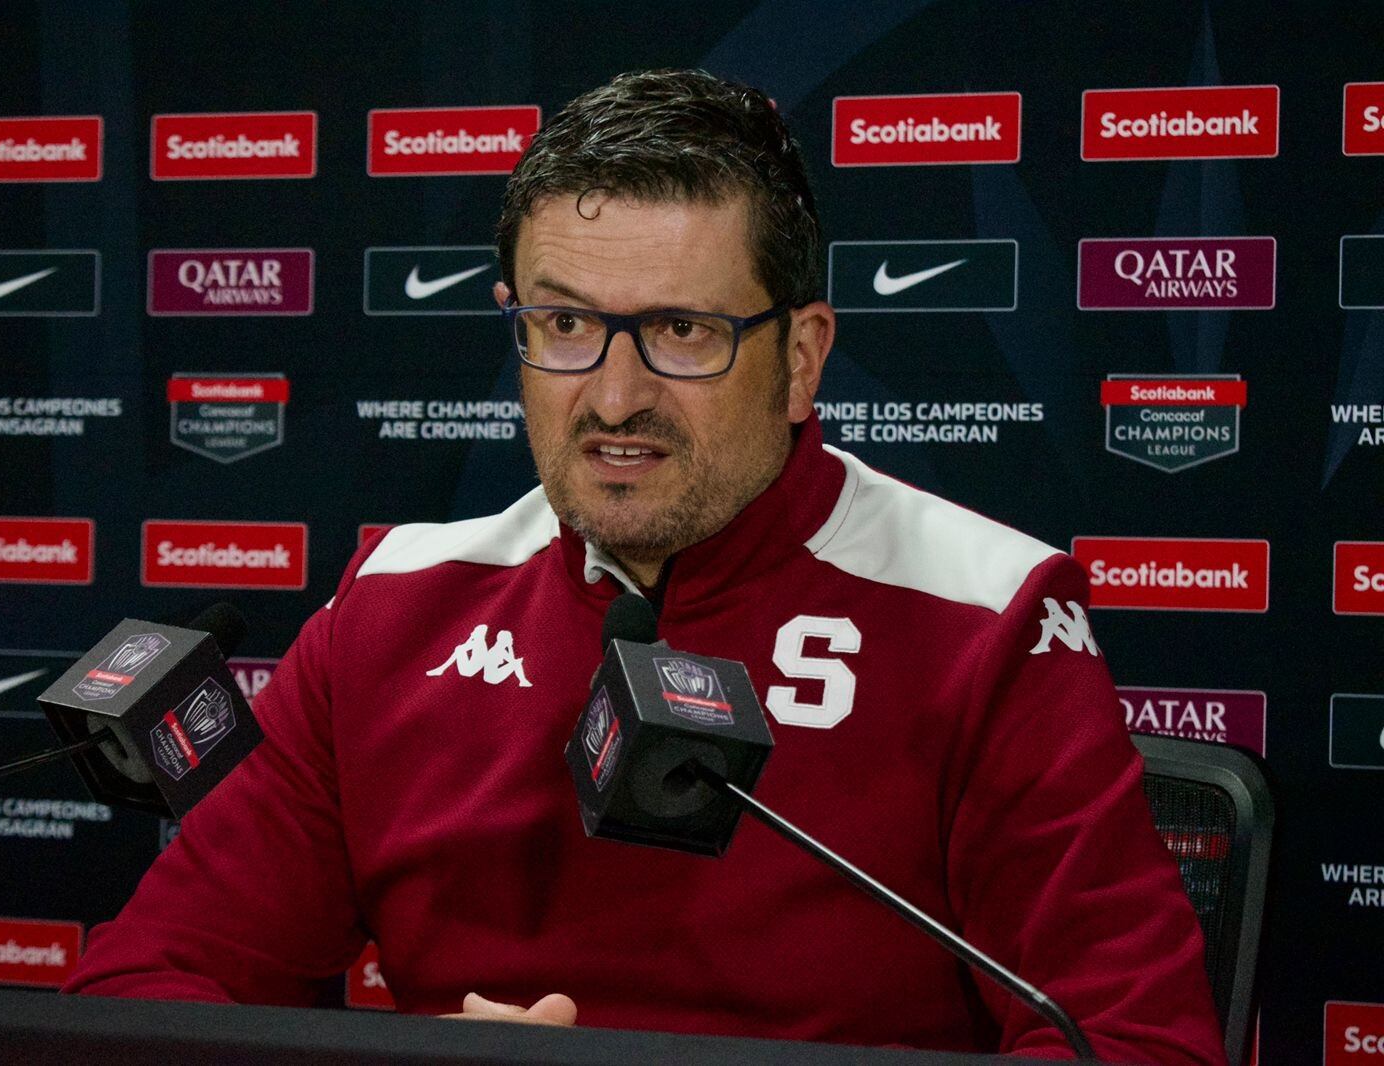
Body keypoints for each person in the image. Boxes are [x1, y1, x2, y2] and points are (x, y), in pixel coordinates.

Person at [65, 69, 1227, 1063]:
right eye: (564, 326)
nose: (614, 398)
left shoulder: (988, 619)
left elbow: (1133, 1045)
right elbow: (143, 987)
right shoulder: (396, 606)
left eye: (682, 331)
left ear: (801, 356)